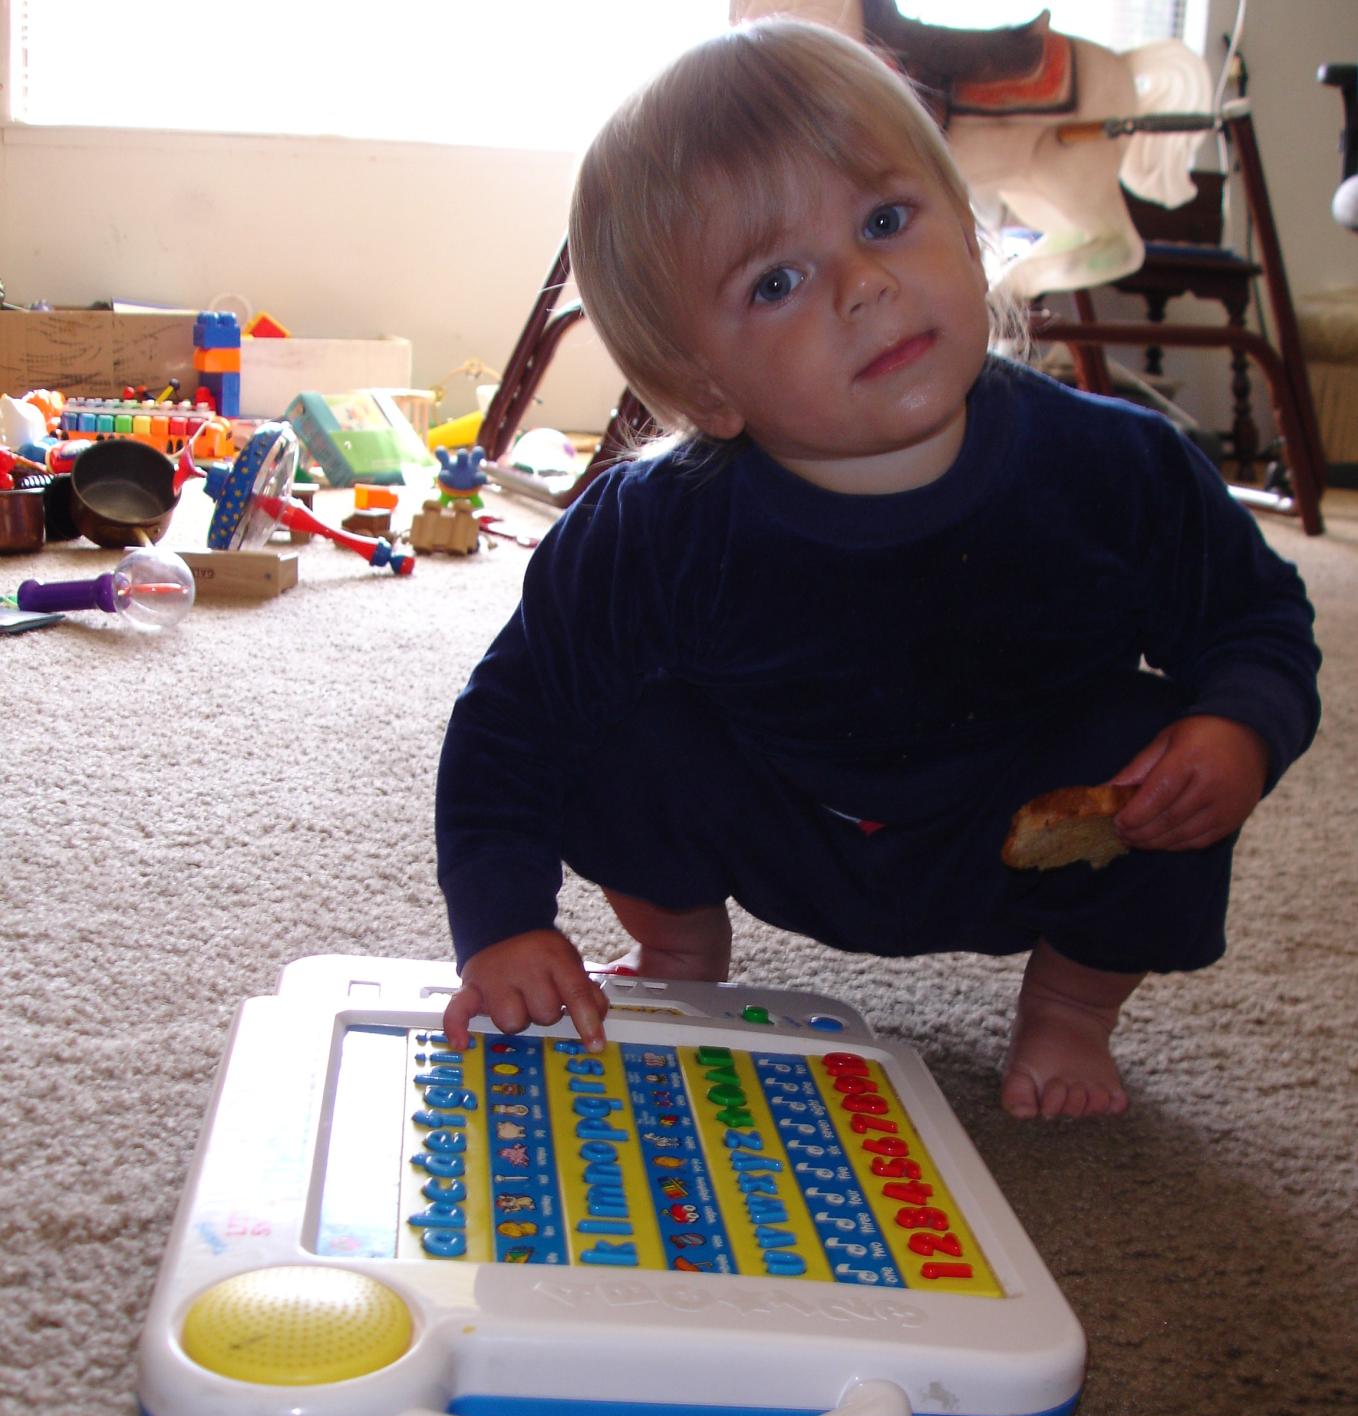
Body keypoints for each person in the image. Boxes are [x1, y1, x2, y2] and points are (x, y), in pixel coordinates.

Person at [435, 18, 1320, 1119]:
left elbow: (1255, 622)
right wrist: (503, 921)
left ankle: (1073, 1008)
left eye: (886, 221)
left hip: (1026, 820)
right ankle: (675, 949)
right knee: (623, 730)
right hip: (783, 815)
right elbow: (513, 720)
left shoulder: (1113, 465)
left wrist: (1238, 726)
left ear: (965, 223)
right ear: (704, 390)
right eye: (775, 282)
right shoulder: (653, 529)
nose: (862, 284)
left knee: (1158, 740)